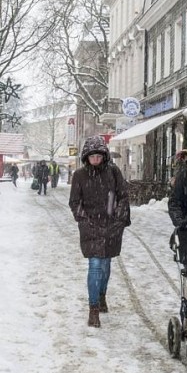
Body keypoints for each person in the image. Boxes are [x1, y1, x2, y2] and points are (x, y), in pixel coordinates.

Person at [69, 136, 131, 328]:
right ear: (86, 157)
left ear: (104, 156)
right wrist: (84, 220)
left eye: (98, 156)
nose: (95, 160)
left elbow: (123, 196)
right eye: (92, 156)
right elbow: (74, 202)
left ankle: (102, 295)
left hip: (111, 226)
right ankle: (93, 308)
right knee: (95, 265)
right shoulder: (79, 176)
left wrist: (119, 219)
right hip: (91, 227)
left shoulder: (113, 172)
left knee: (105, 266)